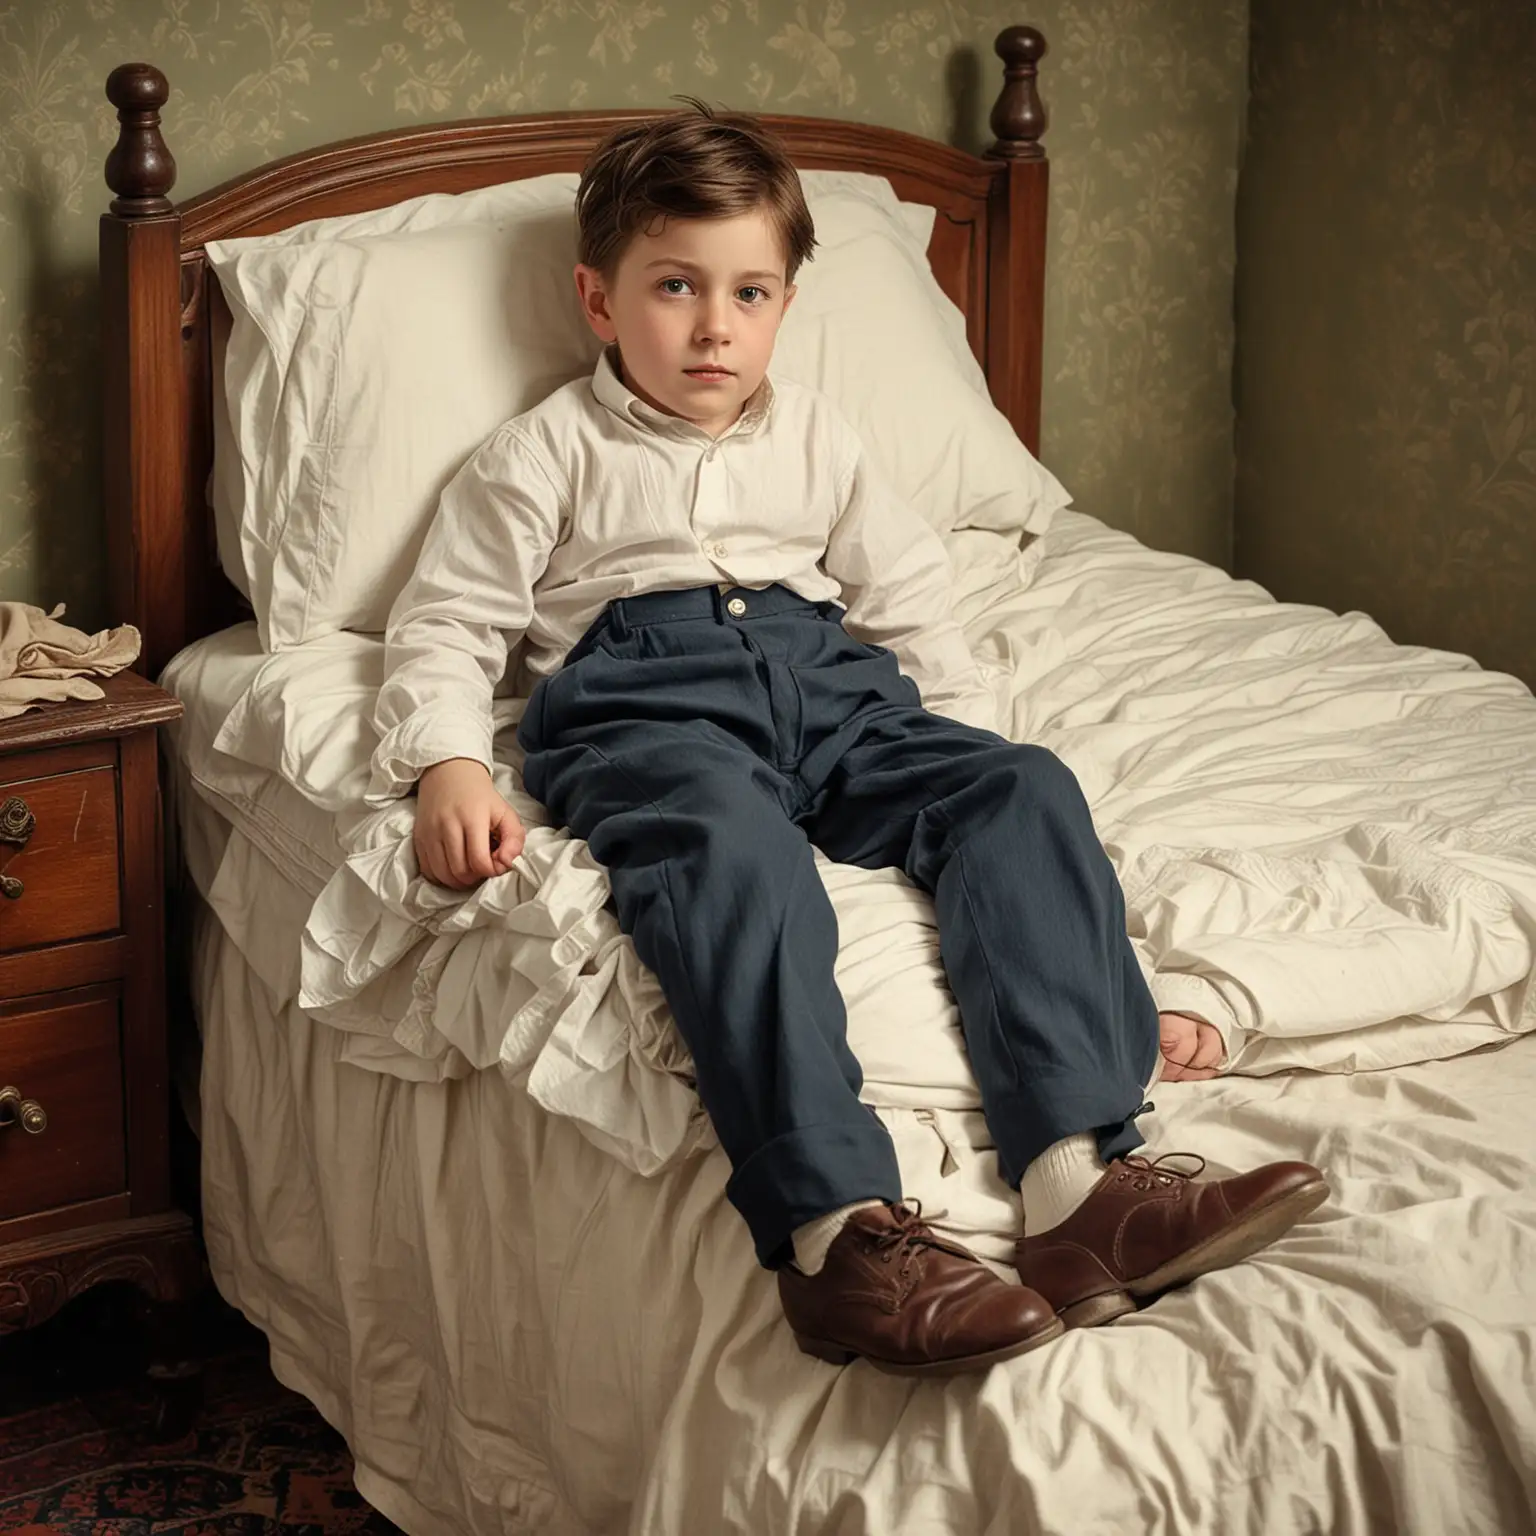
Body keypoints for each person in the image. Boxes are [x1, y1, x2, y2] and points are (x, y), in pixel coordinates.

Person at [370, 101, 1328, 1377]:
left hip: (829, 681)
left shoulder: (820, 437)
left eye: (750, 292)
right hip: (644, 698)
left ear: (784, 301)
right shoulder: (543, 455)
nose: (716, 326)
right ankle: (837, 1235)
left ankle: (1076, 1188)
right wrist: (446, 761)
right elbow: (447, 623)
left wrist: (971, 758)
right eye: (675, 287)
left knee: (1021, 789)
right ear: (600, 303)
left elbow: (914, 605)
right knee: (732, 853)